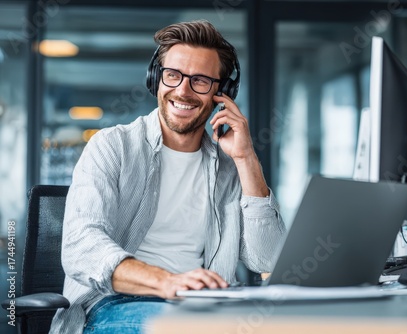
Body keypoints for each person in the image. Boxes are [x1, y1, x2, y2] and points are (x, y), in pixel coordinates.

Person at [50, 20, 286, 334]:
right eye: (173, 75)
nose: (183, 91)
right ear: (156, 79)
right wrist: (168, 282)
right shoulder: (112, 146)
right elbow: (81, 247)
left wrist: (246, 159)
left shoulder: (229, 168)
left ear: (222, 91)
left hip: (206, 307)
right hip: (115, 301)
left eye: (200, 80)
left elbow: (268, 257)